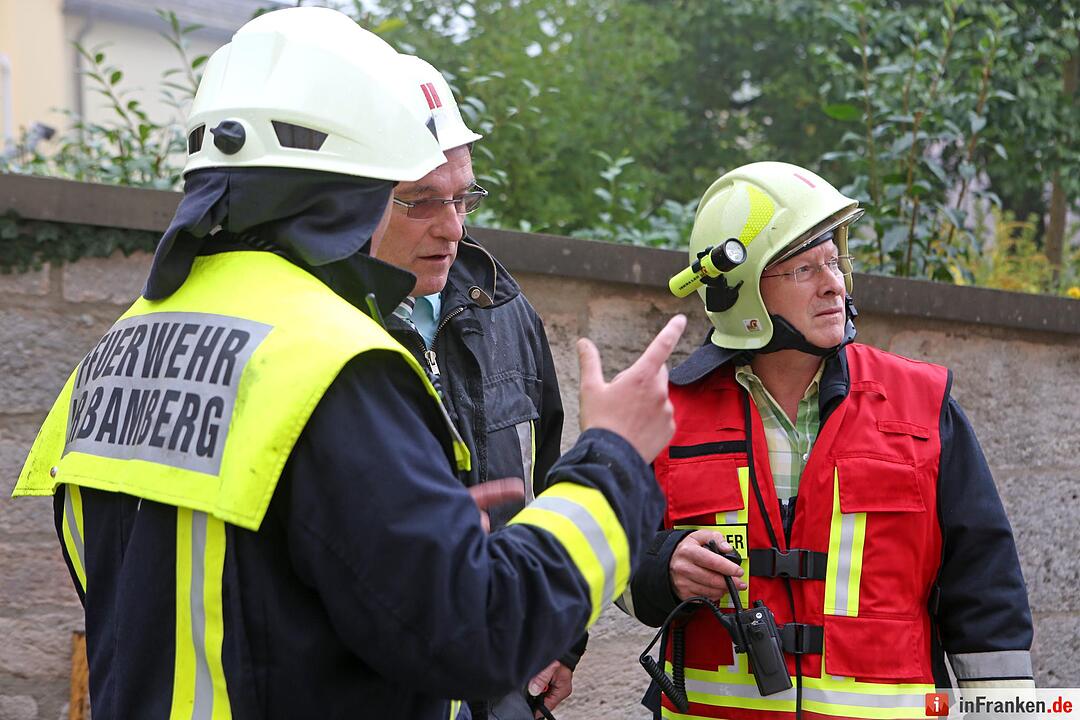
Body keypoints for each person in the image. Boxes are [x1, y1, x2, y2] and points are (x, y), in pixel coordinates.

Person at [13, 8, 686, 719]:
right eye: (402, 190)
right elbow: (481, 636)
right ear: (348, 191)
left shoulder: (120, 347)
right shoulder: (333, 360)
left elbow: (182, 587)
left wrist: (395, 521)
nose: (448, 224)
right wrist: (612, 462)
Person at [623, 162, 1033, 719]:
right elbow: (598, 558)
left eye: (835, 261)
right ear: (739, 287)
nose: (833, 284)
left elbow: (986, 593)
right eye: (802, 269)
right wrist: (661, 566)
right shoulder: (663, 417)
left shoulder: (922, 404)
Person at [374, 56, 575, 720]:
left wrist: (558, 639)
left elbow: (548, 483)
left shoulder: (503, 308)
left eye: (462, 197)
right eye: (423, 200)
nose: (454, 227)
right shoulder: (321, 326)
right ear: (356, 191)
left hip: (506, 686)